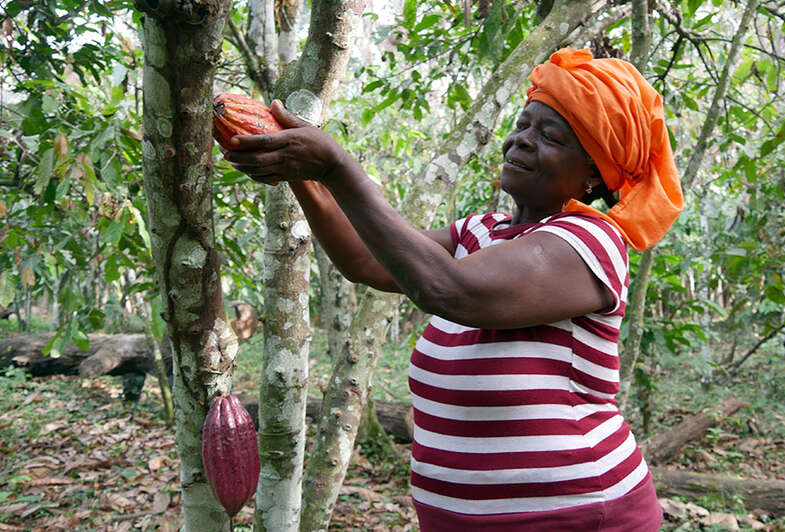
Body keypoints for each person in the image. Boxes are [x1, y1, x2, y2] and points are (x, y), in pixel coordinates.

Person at [221, 47, 684, 531]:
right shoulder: (480, 232)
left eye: (550, 136)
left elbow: (448, 290)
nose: (522, 142)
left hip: (577, 514)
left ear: (595, 173)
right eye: (523, 125)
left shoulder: (591, 241)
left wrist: (338, 167)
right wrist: (305, 176)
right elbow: (364, 259)